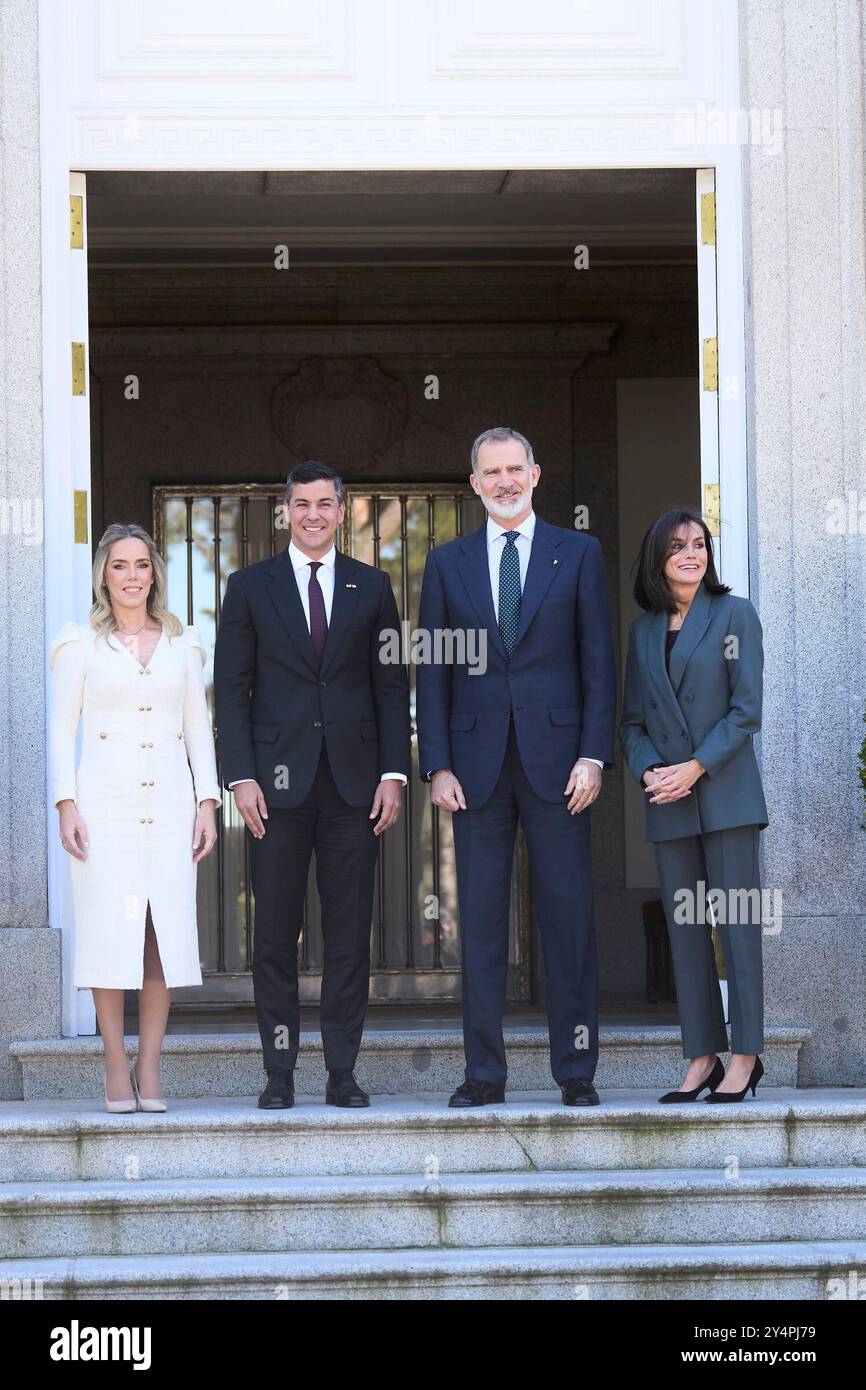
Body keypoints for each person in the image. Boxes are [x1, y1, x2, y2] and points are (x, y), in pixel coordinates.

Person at [416, 427, 617, 1107]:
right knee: (478, 922)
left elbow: (598, 664)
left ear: (536, 473)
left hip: (562, 767)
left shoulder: (579, 553)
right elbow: (433, 672)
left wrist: (593, 754)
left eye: (514, 469)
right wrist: (436, 763)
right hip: (473, 770)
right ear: (474, 483)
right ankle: (483, 1075)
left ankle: (577, 1071)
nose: (504, 481)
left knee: (568, 920)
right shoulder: (446, 564)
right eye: (490, 472)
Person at [214, 461, 410, 1110]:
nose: (314, 514)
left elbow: (389, 687)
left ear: (342, 509)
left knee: (350, 937)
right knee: (273, 935)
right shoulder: (248, 588)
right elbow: (233, 694)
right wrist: (240, 777)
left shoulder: (373, 587)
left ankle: (342, 1074)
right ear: (285, 510)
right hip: (273, 791)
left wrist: (392, 773)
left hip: (355, 789)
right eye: (302, 503)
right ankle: (279, 1073)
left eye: (325, 503)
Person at [49, 522, 220, 1113]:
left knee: (160, 934)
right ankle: (115, 1065)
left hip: (170, 804)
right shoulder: (79, 645)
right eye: (119, 565)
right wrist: (65, 802)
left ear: (155, 573)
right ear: (103, 575)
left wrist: (207, 801)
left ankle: (150, 1066)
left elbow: (197, 726)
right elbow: (60, 728)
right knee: (108, 928)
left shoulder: (182, 643)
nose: (130, 576)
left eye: (141, 565)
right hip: (105, 807)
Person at [620, 509, 769, 1103]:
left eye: (700, 544)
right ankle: (701, 1056)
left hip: (726, 795)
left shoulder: (735, 614)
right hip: (669, 802)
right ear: (658, 558)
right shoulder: (643, 630)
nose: (691, 554)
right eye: (678, 546)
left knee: (737, 930)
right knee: (687, 934)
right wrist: (649, 770)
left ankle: (746, 1056)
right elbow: (631, 722)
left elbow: (746, 710)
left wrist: (694, 767)